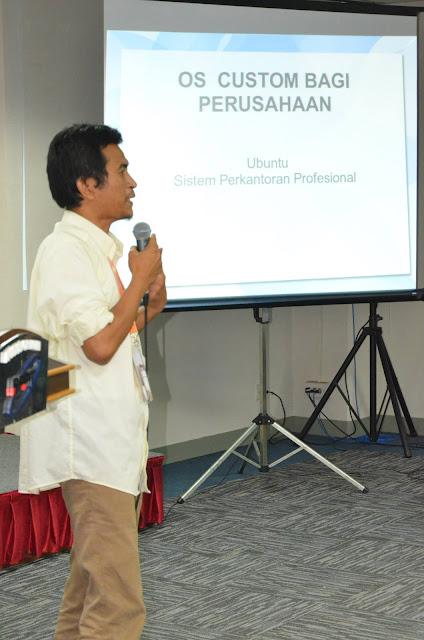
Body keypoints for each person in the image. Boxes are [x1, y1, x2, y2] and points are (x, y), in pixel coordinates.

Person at [21, 123, 166, 639]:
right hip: (90, 447)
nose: (132, 182)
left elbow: (112, 334)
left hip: (108, 443)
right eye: (121, 170)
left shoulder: (94, 248)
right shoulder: (65, 251)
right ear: (87, 184)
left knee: (89, 589)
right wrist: (140, 281)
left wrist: (148, 306)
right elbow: (100, 347)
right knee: (117, 606)